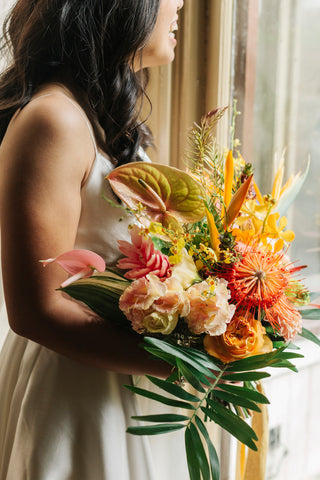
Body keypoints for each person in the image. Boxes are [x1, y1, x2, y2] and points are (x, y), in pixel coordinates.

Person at [0, 1, 186, 479]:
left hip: (125, 386)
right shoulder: (54, 120)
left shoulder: (103, 118)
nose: (182, 2)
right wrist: (190, 362)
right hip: (77, 397)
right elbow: (36, 310)